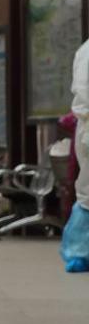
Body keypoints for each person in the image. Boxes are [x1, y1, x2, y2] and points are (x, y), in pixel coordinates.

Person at [63, 40, 89, 273]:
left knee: (87, 194)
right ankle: (79, 252)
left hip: (86, 130)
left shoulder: (84, 50)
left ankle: (79, 252)